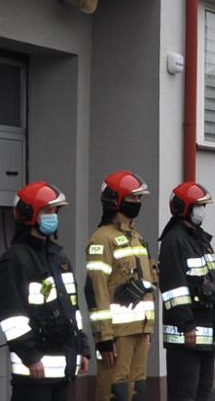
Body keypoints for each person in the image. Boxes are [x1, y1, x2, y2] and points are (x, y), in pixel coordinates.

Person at [0, 182, 90, 401]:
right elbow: (11, 316)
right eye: (48, 211)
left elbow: (72, 309)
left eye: (55, 212)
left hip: (63, 366)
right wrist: (30, 356)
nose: (53, 216)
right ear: (30, 214)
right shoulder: (15, 259)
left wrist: (82, 348)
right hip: (34, 371)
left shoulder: (59, 258)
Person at [85, 170, 156, 401]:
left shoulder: (137, 237)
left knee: (138, 392)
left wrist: (148, 328)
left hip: (140, 330)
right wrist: (104, 338)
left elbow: (147, 286)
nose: (137, 203)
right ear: (115, 200)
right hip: (116, 335)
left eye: (139, 198)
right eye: (133, 198)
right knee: (114, 391)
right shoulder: (101, 238)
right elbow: (97, 290)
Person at [158, 182, 215, 401]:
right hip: (186, 335)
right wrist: (186, 325)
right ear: (184, 207)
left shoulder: (201, 240)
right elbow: (173, 289)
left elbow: (212, 285)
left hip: (206, 332)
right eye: (199, 205)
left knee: (202, 394)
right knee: (184, 395)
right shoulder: (174, 241)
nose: (202, 211)